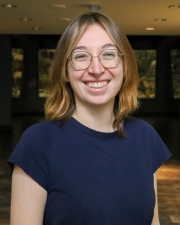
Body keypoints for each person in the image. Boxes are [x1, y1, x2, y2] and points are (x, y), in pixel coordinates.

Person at [7, 12, 171, 225]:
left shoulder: (145, 137)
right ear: (65, 72)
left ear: (125, 66)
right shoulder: (38, 143)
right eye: (80, 56)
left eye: (109, 54)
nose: (96, 69)